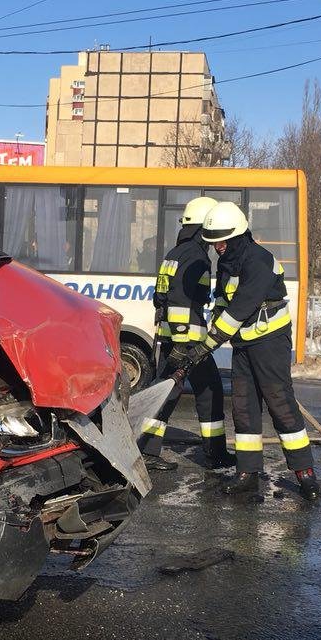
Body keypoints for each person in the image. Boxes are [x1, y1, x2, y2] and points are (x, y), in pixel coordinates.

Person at [168, 201, 319, 500]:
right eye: (214, 243)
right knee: (243, 407)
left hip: (270, 342)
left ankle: (305, 473)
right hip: (243, 344)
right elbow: (223, 302)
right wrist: (210, 331)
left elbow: (239, 309)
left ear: (237, 235)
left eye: (222, 241)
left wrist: (205, 345)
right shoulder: (227, 263)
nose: (218, 248)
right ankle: (248, 473)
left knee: (280, 403)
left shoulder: (258, 260)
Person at [141, 197, 234, 472]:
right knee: (206, 391)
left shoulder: (175, 252)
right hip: (188, 342)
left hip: (173, 337)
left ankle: (147, 448)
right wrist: (183, 343)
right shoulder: (196, 256)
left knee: (168, 391)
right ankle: (215, 454)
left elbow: (161, 296)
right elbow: (181, 301)